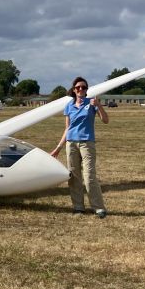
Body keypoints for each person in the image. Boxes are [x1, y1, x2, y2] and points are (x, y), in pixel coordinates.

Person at [50, 76, 109, 217]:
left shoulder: (92, 103)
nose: (81, 89)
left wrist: (99, 105)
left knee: (89, 176)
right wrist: (58, 147)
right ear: (74, 90)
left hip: (87, 143)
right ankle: (78, 207)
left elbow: (106, 120)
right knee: (74, 176)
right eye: (78, 87)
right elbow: (67, 128)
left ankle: (98, 207)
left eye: (83, 87)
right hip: (71, 144)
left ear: (87, 90)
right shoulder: (69, 106)